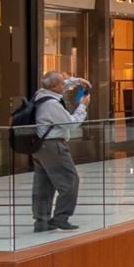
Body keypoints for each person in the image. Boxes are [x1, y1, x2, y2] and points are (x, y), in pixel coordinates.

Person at [30, 70, 88, 233]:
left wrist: (76, 81)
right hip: (53, 146)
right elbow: (70, 123)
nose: (65, 85)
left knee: (44, 184)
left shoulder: (40, 94)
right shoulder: (51, 105)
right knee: (70, 180)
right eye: (62, 83)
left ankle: (41, 221)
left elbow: (60, 85)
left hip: (39, 146)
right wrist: (82, 106)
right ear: (54, 86)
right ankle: (61, 217)